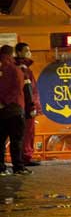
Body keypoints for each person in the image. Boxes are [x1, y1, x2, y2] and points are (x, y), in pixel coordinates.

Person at [0, 45, 29, 175]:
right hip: (15, 109)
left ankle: (1, 168)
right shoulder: (15, 69)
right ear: (12, 54)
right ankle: (18, 167)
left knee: (0, 141)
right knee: (16, 141)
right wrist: (6, 102)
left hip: (1, 112)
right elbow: (17, 89)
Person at [14, 42, 41, 166]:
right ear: (19, 52)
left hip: (22, 105)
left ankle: (23, 157)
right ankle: (25, 157)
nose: (29, 53)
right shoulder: (23, 68)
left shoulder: (20, 67)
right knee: (27, 133)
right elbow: (28, 89)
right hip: (26, 106)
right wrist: (32, 106)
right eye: (26, 50)